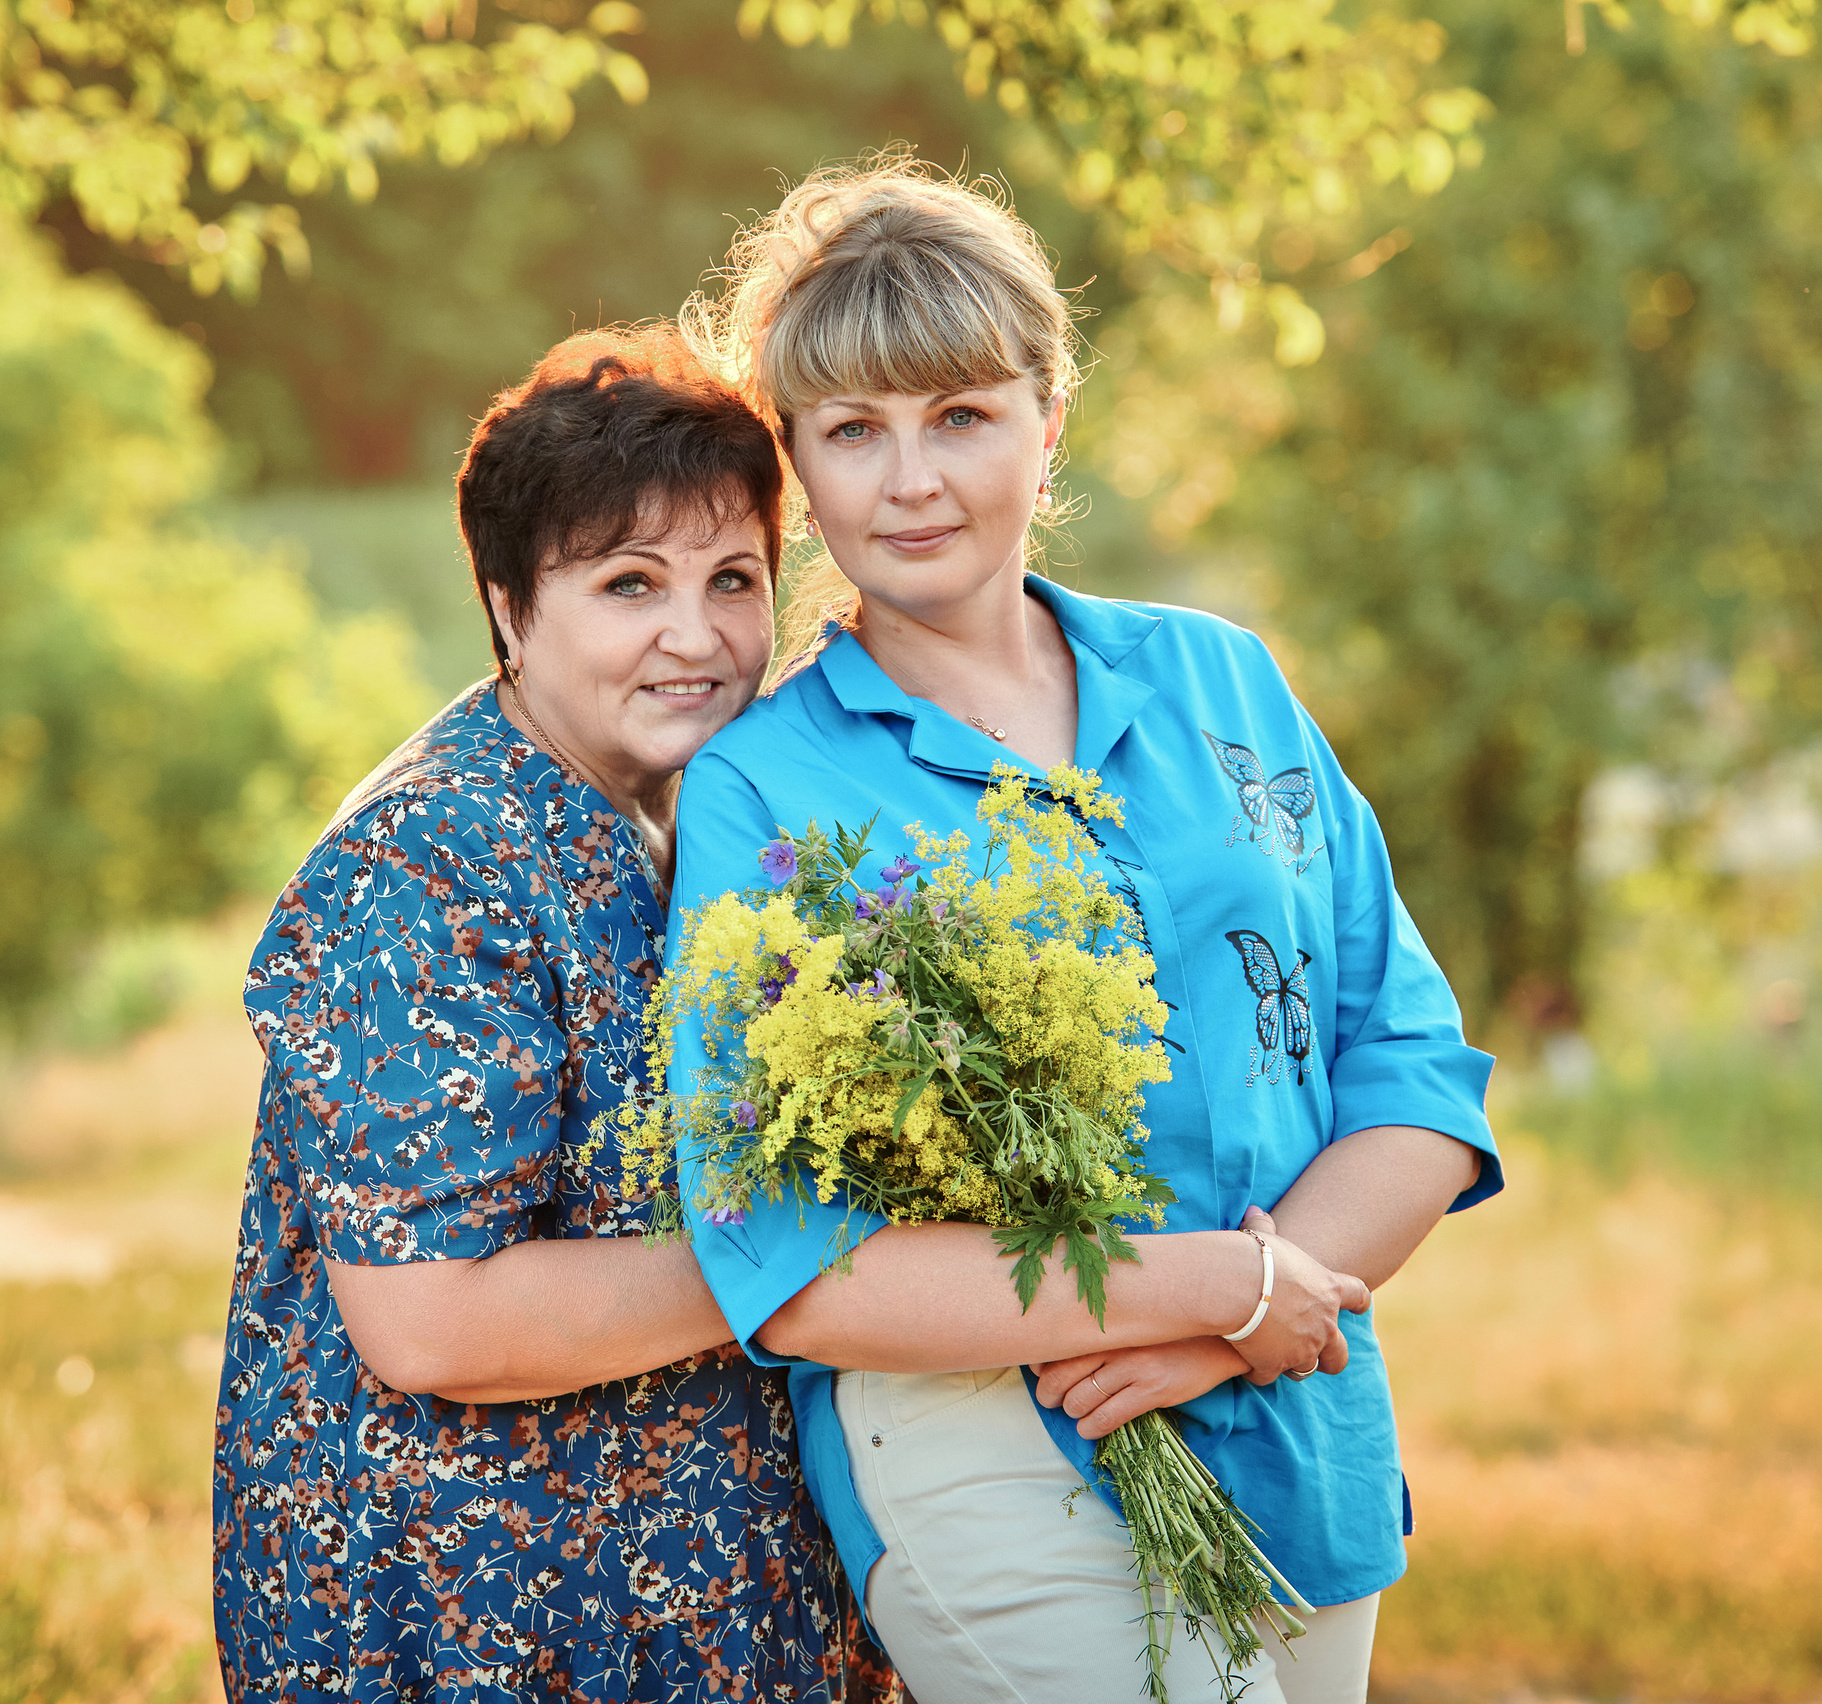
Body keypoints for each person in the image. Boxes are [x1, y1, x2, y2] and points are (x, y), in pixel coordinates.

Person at [666, 158, 1503, 1704]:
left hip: (1296, 1429)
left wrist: (1244, 1316)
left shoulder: (1222, 682)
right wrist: (1200, 1293)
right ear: (798, 470)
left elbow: (1410, 1064)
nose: (911, 481)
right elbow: (783, 1260)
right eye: (854, 432)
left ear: (1049, 422)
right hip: (993, 1450)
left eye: (960, 416)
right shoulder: (764, 788)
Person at [213, 328, 905, 1701]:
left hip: (697, 1616)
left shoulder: (706, 826)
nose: (696, 636)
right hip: (482, 1624)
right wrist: (849, 1255)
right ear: (509, 608)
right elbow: (433, 1323)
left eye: (733, 580)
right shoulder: (426, 864)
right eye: (628, 584)